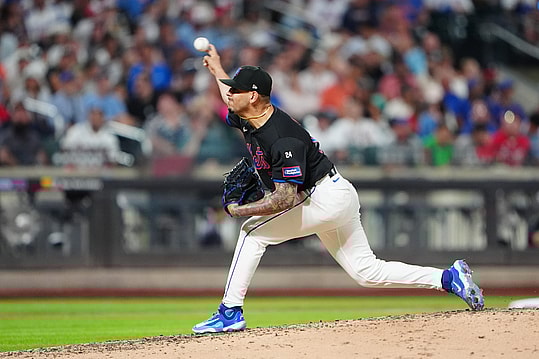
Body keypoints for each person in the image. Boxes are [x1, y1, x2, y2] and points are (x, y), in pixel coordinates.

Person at [192, 44, 484, 334]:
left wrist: (239, 210)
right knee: (367, 272)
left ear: (253, 96)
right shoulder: (250, 115)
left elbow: (284, 199)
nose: (228, 94)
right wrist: (218, 69)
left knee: (252, 233)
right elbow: (230, 96)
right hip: (333, 193)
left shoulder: (281, 138)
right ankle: (448, 278)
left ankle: (230, 312)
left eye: (235, 90)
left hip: (322, 199)